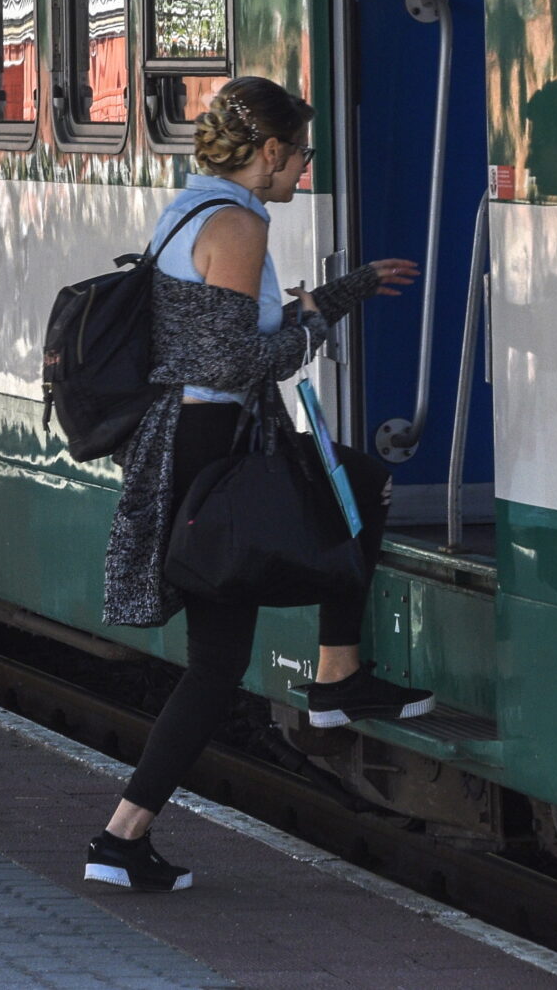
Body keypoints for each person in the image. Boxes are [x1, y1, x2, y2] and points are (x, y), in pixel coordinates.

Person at [86, 76, 427, 893]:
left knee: (217, 662)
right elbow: (235, 359)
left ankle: (120, 840)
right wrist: (317, 323)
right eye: (300, 152)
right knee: (360, 487)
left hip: (196, 438)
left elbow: (231, 331)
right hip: (215, 440)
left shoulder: (190, 209)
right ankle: (337, 677)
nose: (303, 167)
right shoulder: (237, 224)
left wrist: (344, 292)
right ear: (268, 151)